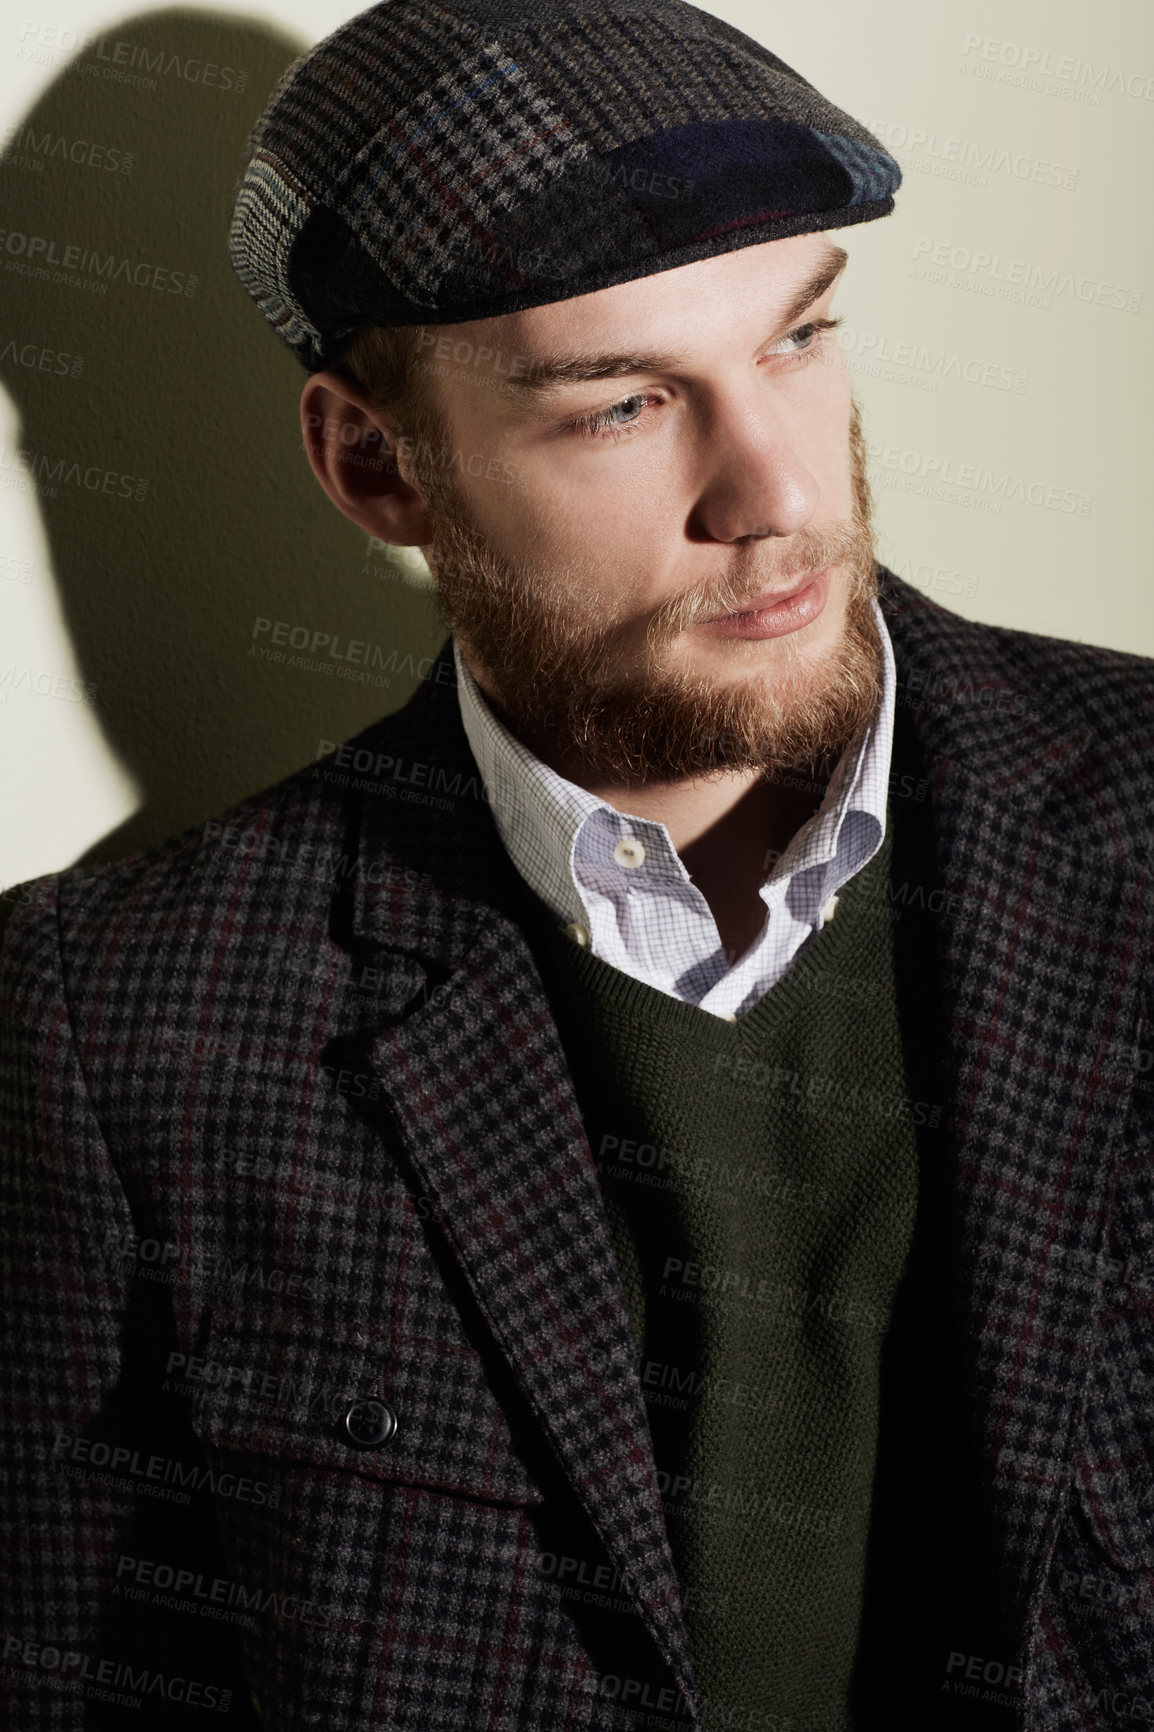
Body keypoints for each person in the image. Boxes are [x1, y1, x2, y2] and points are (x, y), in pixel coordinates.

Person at [2, 0, 1152, 1727]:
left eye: (799, 339)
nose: (772, 490)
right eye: (623, 405)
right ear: (374, 464)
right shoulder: (115, 1026)